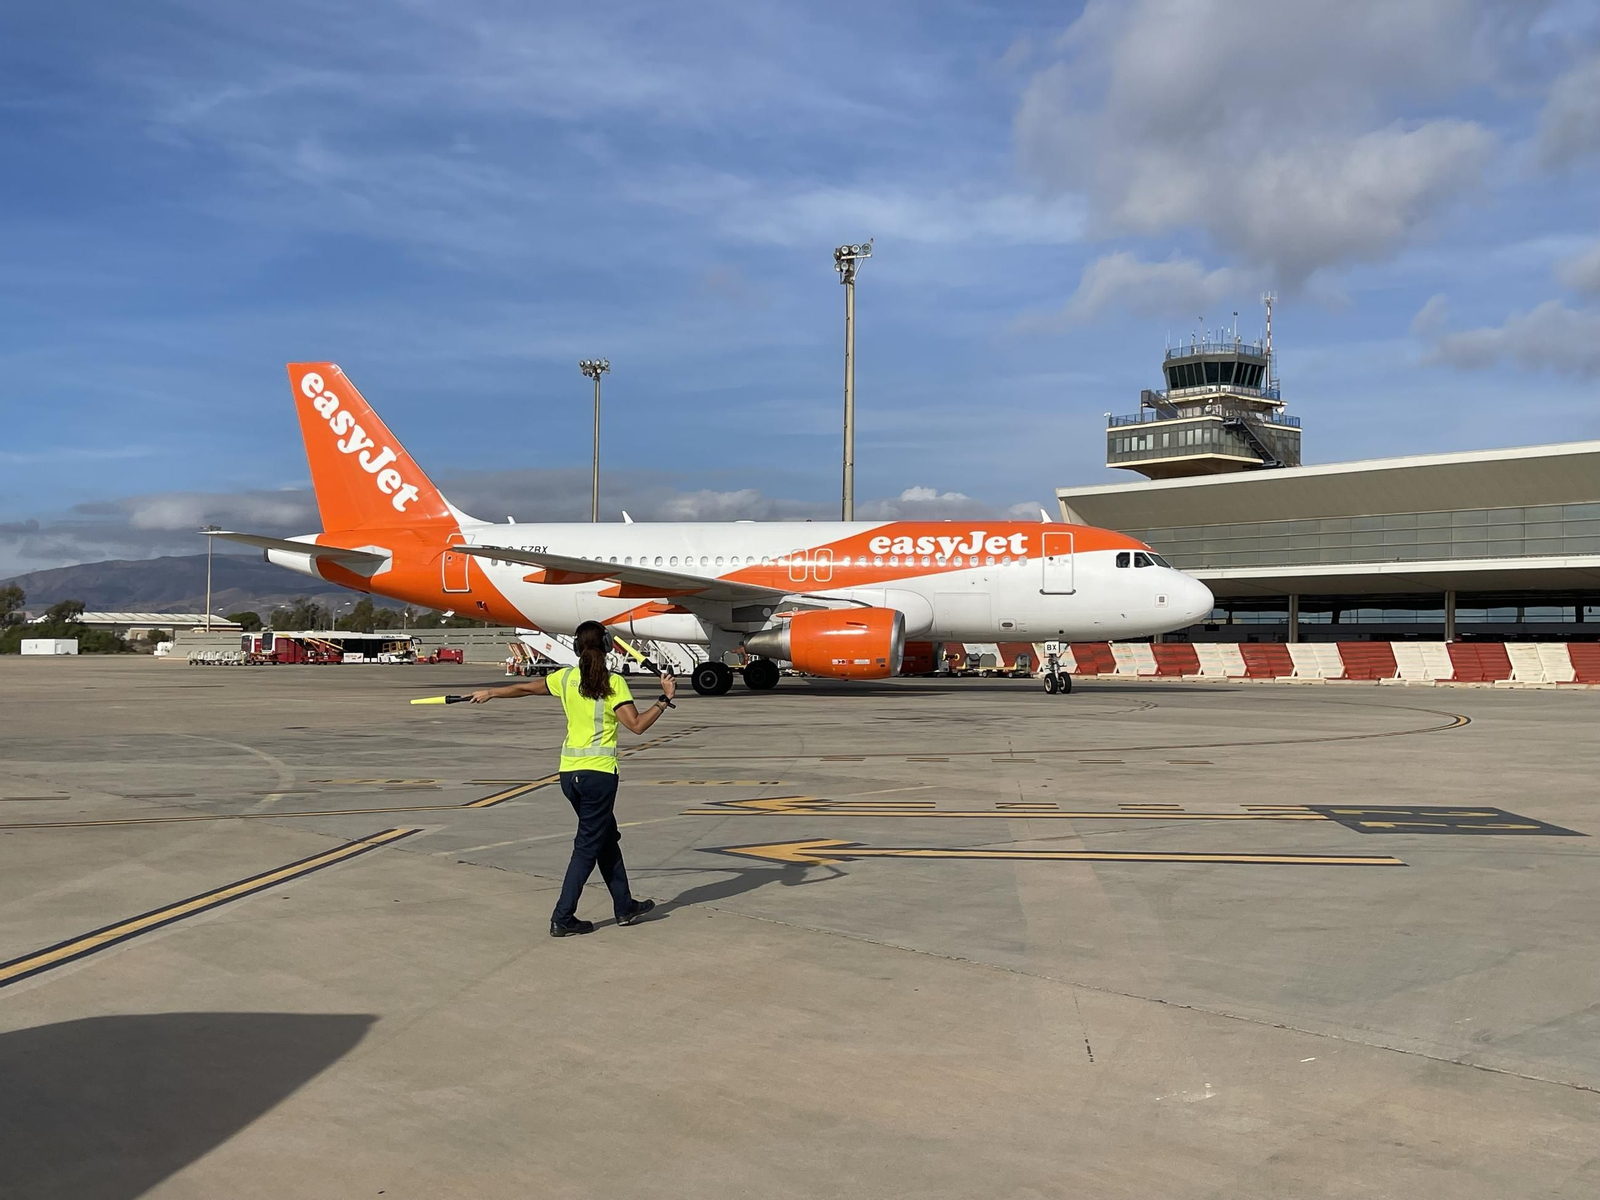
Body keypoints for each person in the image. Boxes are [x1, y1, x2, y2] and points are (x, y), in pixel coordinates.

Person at [469, 621, 677, 937]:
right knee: (586, 847)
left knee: (605, 839)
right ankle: (563, 916)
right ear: (607, 646)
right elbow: (636, 725)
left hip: (569, 775)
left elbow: (525, 688)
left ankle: (624, 906)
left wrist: (491, 692)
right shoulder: (614, 682)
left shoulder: (565, 679)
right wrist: (664, 700)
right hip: (599, 777)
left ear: (578, 648)